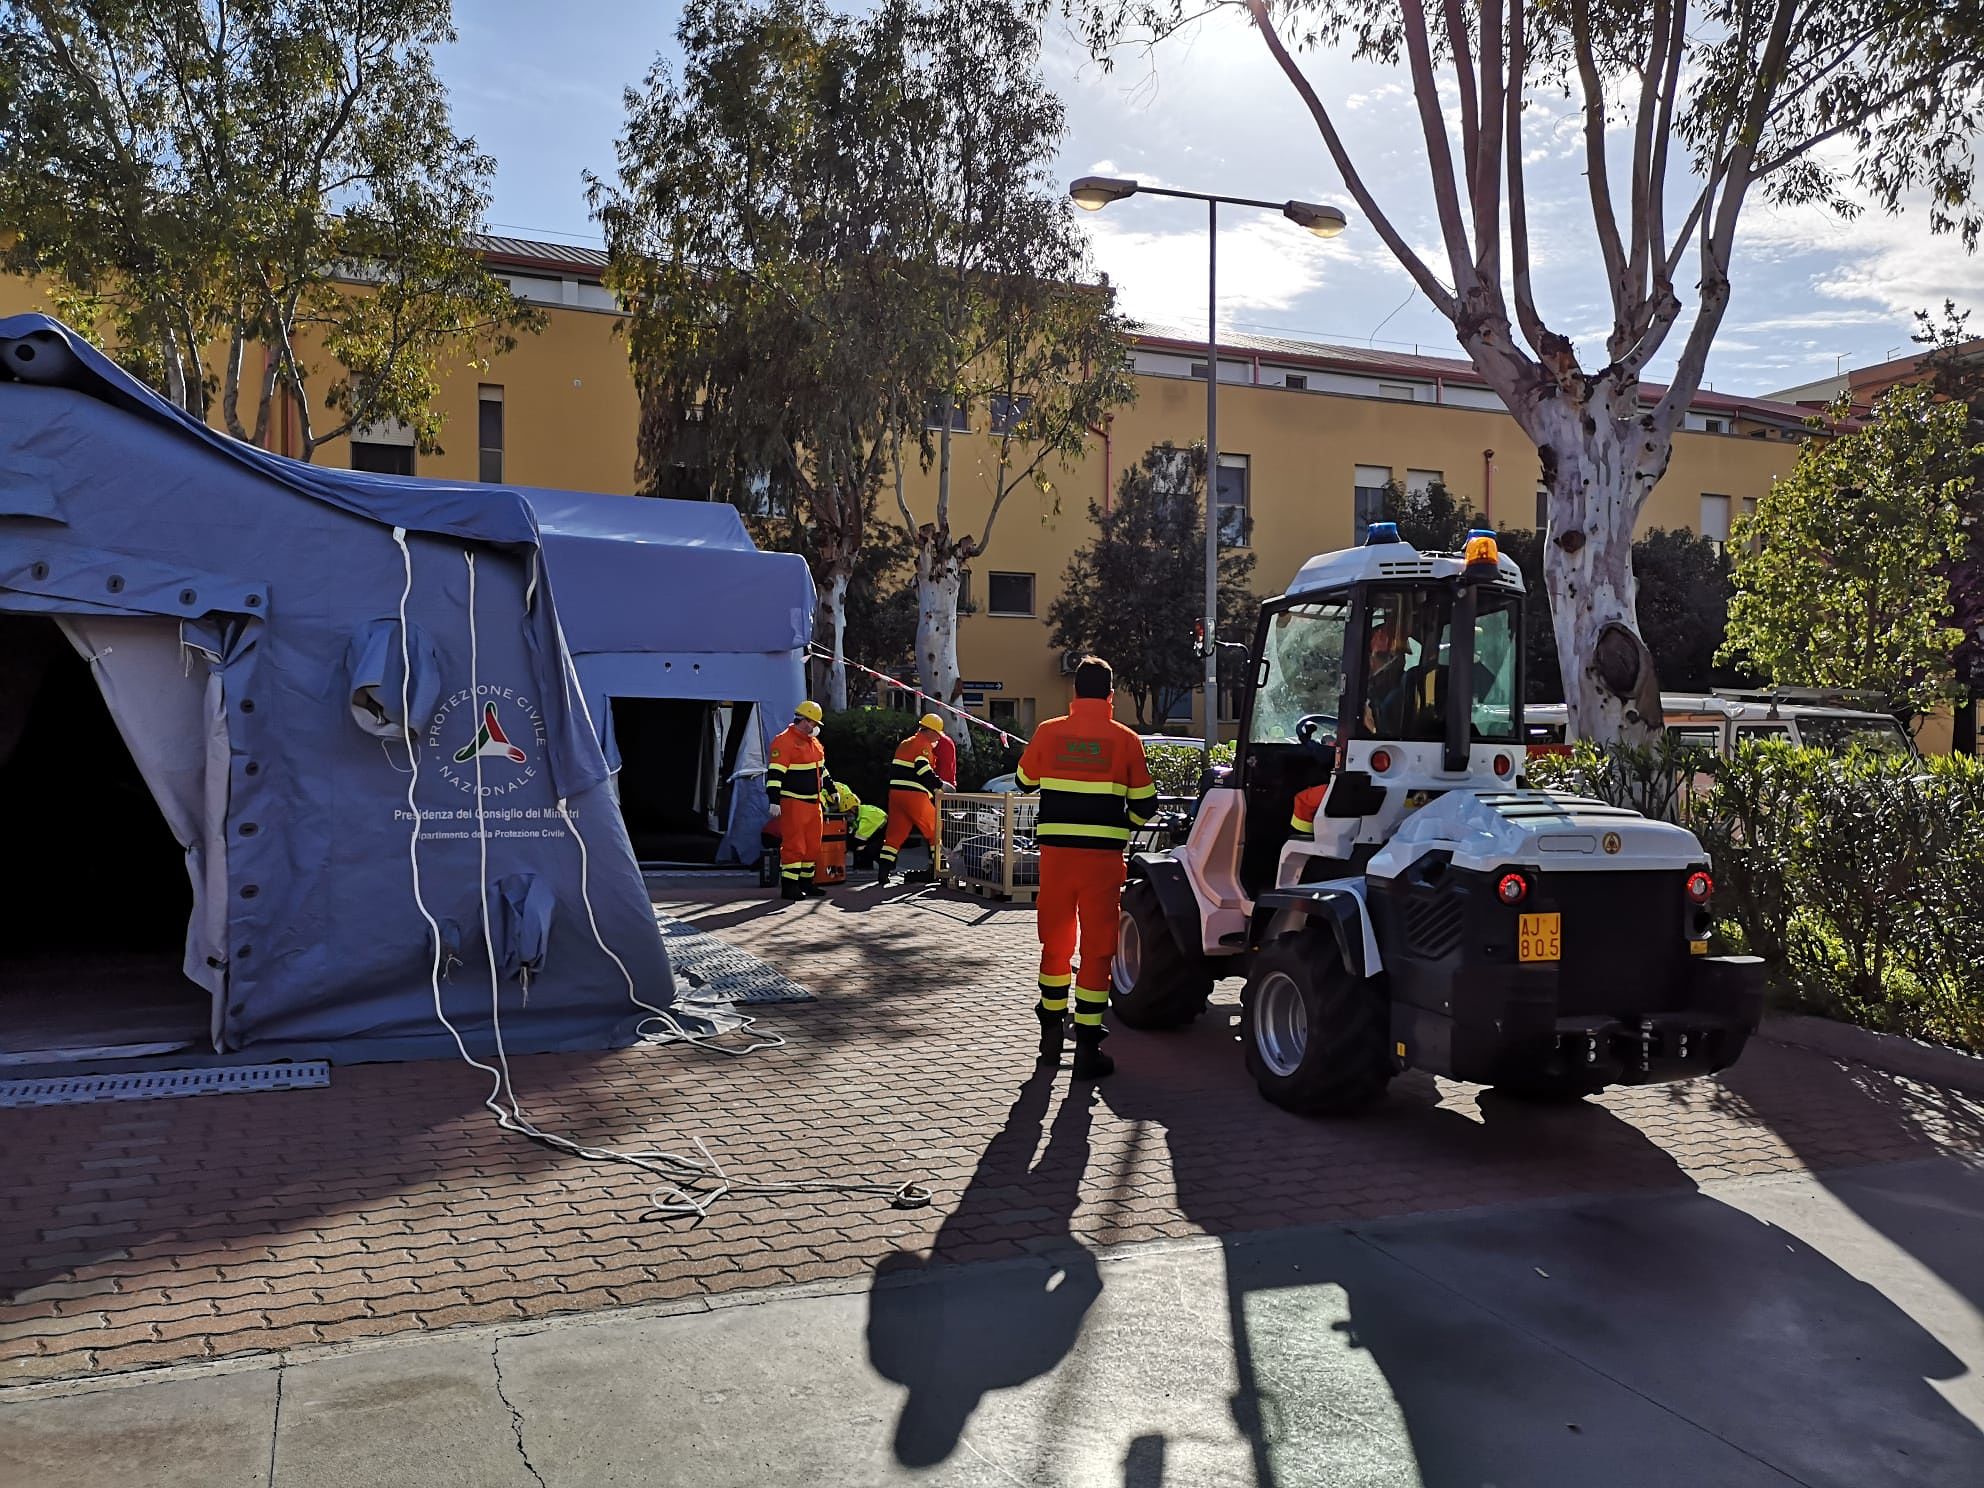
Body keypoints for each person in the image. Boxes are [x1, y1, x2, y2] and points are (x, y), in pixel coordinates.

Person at [1016, 657, 1156, 1080]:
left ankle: (1050, 1040)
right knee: (1097, 950)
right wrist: (1120, 825)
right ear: (1111, 695)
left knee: (1055, 945)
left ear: (1074, 692)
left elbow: (1024, 782)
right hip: (1102, 862)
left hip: (1056, 860)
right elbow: (1145, 806)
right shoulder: (1127, 740)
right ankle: (1088, 1050)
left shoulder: (1048, 732)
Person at [767, 700, 833, 900]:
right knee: (794, 846)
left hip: (814, 803)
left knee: (812, 846)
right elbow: (775, 774)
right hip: (793, 802)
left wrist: (831, 789)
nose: (816, 727)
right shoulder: (784, 741)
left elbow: (822, 770)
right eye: (814, 723)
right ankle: (789, 887)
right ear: (805, 721)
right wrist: (774, 800)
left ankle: (806, 883)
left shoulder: (814, 743)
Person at [878, 713, 945, 884]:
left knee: (894, 836)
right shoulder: (923, 745)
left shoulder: (905, 743)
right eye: (937, 734)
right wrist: (939, 785)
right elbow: (923, 770)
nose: (938, 738)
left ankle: (883, 872)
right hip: (914, 794)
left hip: (896, 794)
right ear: (930, 731)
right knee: (935, 828)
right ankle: (937, 869)